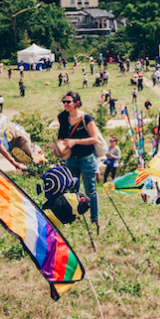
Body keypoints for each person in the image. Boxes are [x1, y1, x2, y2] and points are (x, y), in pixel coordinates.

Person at [56, 91, 100, 234]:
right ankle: (74, 217)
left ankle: (94, 220)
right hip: (71, 159)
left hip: (87, 158)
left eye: (68, 102)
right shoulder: (62, 117)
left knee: (90, 191)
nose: (65, 104)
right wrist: (60, 147)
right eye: (64, 101)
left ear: (76, 103)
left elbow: (94, 139)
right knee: (72, 190)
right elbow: (61, 137)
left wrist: (75, 141)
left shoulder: (87, 118)